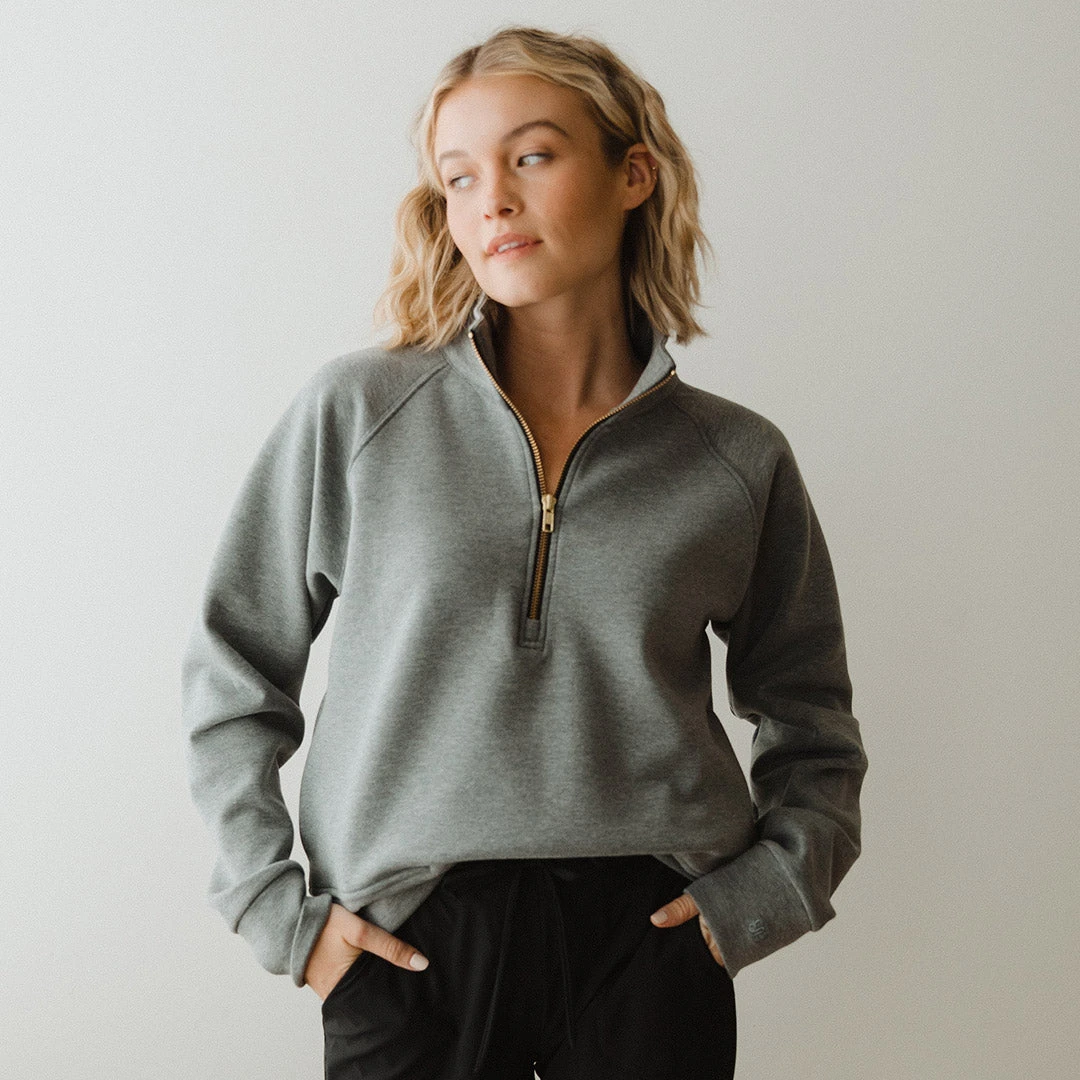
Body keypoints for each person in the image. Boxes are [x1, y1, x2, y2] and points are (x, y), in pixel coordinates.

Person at [181, 25, 867, 1080]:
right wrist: (279, 914)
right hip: (409, 944)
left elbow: (812, 718)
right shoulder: (357, 414)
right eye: (459, 177)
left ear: (633, 174)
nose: (492, 200)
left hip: (653, 941)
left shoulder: (735, 459)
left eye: (532, 156)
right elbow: (233, 669)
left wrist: (767, 894)